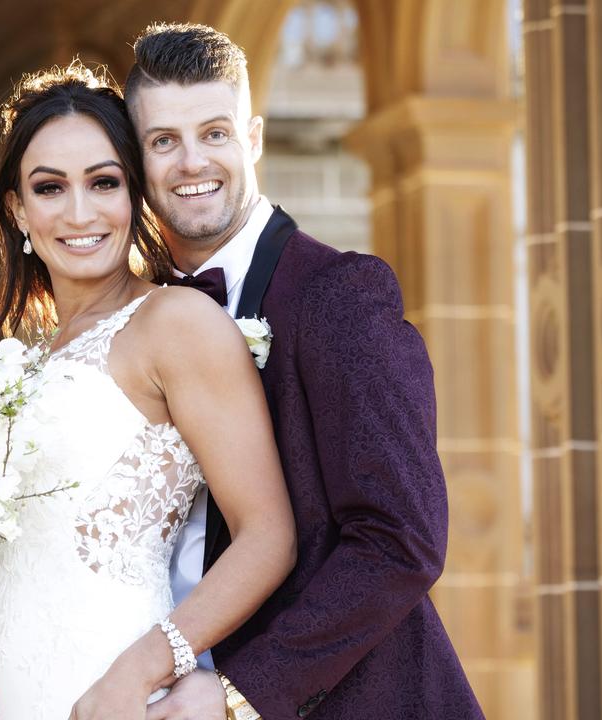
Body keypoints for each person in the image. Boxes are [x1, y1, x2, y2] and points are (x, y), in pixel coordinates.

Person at [0, 62, 297, 720]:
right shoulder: (10, 368)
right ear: (18, 208)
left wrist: (135, 676)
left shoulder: (177, 325)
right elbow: (23, 602)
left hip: (132, 703)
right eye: (50, 188)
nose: (80, 213)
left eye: (103, 182)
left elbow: (268, 536)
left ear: (135, 195)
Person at [122, 23, 483, 720]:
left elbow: (400, 541)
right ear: (137, 160)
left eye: (215, 133)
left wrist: (237, 694)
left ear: (252, 138)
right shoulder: (133, 326)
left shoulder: (340, 296)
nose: (192, 161)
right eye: (164, 140)